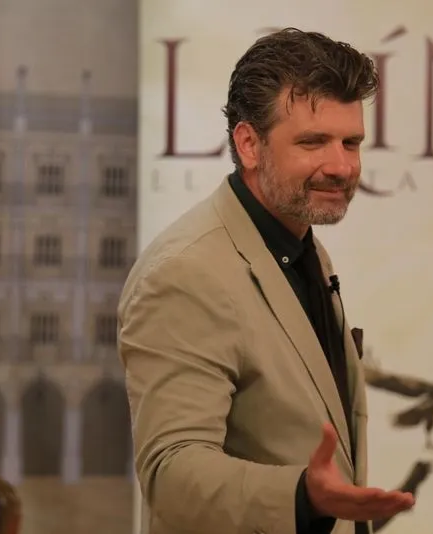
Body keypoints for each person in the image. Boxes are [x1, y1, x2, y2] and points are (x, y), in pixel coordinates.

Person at [118, 28, 416, 534]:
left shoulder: (303, 248)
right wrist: (302, 496)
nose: (341, 166)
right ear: (249, 143)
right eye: (313, 142)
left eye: (352, 142)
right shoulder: (184, 272)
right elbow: (170, 473)